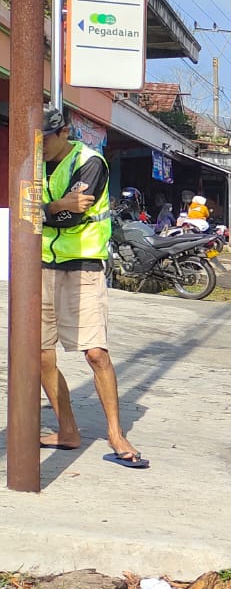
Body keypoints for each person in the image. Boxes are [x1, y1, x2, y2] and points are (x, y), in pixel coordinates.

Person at [34, 110, 145, 468]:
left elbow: (74, 215)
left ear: (64, 132)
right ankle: (67, 430)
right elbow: (30, 211)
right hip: (41, 267)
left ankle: (115, 433)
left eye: (47, 138)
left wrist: (50, 210)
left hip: (82, 266)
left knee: (95, 352)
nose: (42, 146)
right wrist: (55, 206)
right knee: (39, 354)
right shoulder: (33, 162)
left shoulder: (89, 162)